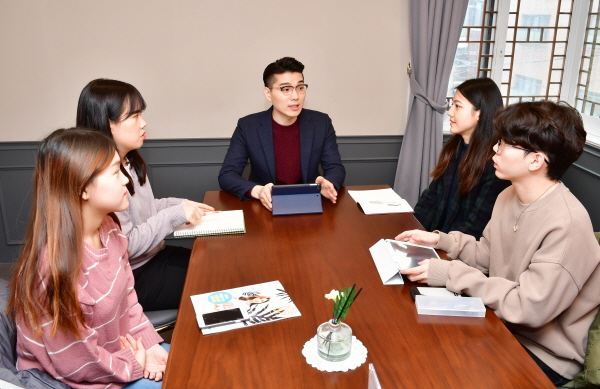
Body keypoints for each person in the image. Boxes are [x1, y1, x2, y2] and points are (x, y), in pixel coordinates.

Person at [397, 101, 600, 386]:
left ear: (535, 161)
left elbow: (528, 308)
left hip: (543, 354)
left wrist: (451, 273)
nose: (495, 148)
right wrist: (440, 239)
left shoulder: (567, 223)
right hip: (500, 324)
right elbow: (486, 255)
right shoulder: (508, 196)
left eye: (504, 143)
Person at [6, 128, 168, 389]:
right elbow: (77, 362)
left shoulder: (110, 228)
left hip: (117, 357)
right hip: (76, 378)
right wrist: (133, 364)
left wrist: (149, 344)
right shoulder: (55, 269)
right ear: (82, 188)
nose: (126, 180)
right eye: (116, 172)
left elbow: (128, 299)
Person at [77, 79, 214, 311]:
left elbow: (147, 207)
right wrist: (176, 214)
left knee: (214, 264)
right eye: (134, 116)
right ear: (108, 123)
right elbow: (127, 245)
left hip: (154, 256)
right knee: (212, 281)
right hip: (135, 273)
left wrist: (184, 205)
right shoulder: (103, 183)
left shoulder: (129, 161)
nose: (143, 123)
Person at [218, 57, 346, 211]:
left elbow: (335, 167)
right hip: (266, 207)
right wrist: (258, 191)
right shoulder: (248, 126)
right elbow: (227, 175)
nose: (295, 96)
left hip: (310, 202)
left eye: (300, 87)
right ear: (268, 93)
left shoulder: (321, 122)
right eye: (286, 89)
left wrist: (328, 184)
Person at [413, 78, 510, 238]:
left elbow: (477, 226)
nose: (450, 112)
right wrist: (414, 230)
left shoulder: (495, 161)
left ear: (479, 113)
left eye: (457, 106)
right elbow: (431, 198)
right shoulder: (453, 148)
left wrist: (440, 245)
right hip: (437, 239)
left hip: (462, 250)